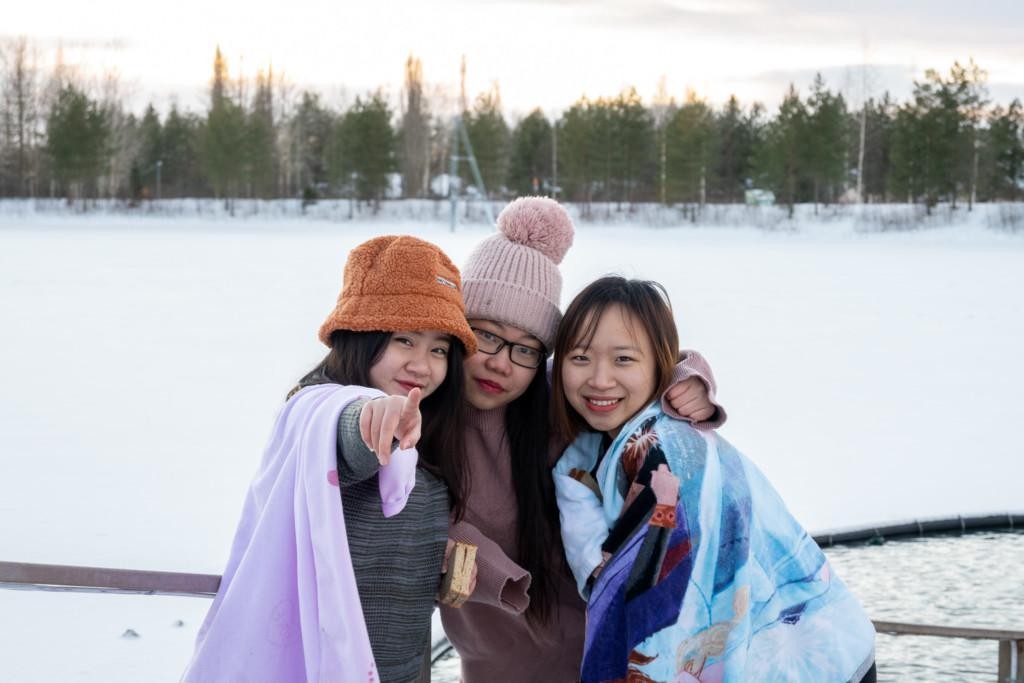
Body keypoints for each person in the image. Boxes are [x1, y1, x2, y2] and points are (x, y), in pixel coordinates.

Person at [441, 198, 727, 682]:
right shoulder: (424, 425)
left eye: (526, 347)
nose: (501, 362)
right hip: (498, 665)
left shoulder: (553, 397)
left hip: (604, 654)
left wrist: (689, 378)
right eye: (485, 335)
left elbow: (630, 365)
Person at [551, 276, 877, 683]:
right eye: (580, 357)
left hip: (805, 660)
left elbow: (638, 598)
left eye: (624, 360)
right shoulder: (595, 452)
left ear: (659, 366)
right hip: (828, 643)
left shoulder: (665, 451)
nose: (599, 379)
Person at [183, 235, 478, 683]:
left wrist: (439, 555)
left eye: (439, 349)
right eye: (404, 340)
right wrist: (373, 419)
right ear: (361, 335)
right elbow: (347, 438)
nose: (423, 364)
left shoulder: (426, 435)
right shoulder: (316, 413)